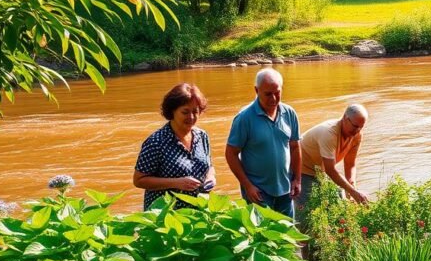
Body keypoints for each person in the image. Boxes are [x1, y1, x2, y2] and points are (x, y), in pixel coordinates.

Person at [225, 68, 301, 219]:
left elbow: (294, 147)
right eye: (268, 94)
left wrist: (297, 179)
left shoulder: (289, 113)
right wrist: (247, 186)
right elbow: (231, 154)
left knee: (287, 237)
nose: (273, 98)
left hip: (286, 190)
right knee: (262, 239)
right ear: (256, 90)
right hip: (258, 192)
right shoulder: (244, 118)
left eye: (277, 92)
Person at [133, 83, 216, 210]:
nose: (191, 117)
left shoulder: (202, 136)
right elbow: (139, 180)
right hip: (165, 215)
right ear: (172, 111)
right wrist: (176, 183)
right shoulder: (156, 142)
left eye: (195, 111)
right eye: (185, 112)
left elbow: (209, 165)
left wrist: (211, 177)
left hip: (198, 211)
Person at [295, 104, 370, 212]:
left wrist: (351, 185)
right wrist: (353, 192)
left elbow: (350, 164)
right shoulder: (329, 133)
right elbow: (330, 170)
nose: (357, 130)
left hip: (320, 170)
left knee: (338, 198)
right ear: (345, 118)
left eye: (361, 127)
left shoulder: (356, 136)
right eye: (355, 126)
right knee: (306, 211)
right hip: (300, 168)